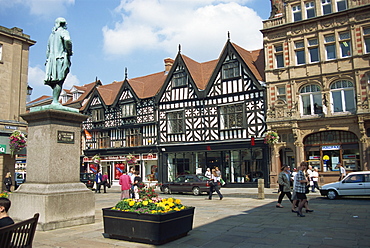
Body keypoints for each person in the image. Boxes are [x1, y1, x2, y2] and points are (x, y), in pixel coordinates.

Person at [44, 17, 73, 105]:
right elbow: (68, 40)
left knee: (55, 80)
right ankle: (55, 100)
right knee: (59, 80)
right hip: (60, 58)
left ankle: (55, 99)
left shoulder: (51, 35)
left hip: (51, 61)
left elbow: (48, 50)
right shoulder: (63, 32)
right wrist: (69, 51)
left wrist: (48, 60)